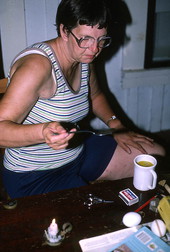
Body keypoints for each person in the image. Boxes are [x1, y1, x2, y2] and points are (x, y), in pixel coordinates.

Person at [0, 0, 165, 199]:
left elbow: (95, 95)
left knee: (153, 155)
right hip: (34, 175)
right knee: (97, 219)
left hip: (78, 153)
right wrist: (42, 132)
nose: (94, 49)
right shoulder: (37, 67)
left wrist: (118, 127)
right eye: (85, 39)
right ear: (64, 31)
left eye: (101, 40)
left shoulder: (84, 57)